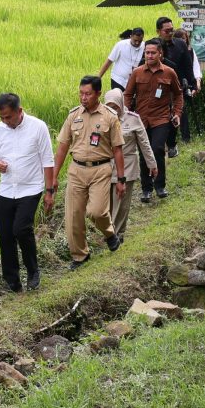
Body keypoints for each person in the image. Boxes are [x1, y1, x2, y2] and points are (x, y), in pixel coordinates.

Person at [52, 76, 126, 270]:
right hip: (76, 169)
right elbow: (62, 148)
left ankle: (109, 233)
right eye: (81, 93)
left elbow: (117, 149)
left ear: (98, 94)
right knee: (74, 216)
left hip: (101, 169)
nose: (83, 98)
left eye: (88, 94)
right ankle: (80, 255)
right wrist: (53, 177)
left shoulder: (110, 116)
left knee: (96, 211)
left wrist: (121, 179)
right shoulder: (73, 115)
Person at [0, 92, 54, 293]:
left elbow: (48, 161)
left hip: (30, 188)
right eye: (2, 117)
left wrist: (49, 192)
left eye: (8, 117)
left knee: (21, 229)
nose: (5, 121)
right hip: (6, 189)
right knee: (5, 235)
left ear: (20, 111)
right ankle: (12, 280)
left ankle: (33, 271)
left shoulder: (38, 127)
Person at [123, 39, 183, 202]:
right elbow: (127, 94)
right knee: (144, 152)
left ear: (160, 54)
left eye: (152, 53)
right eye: (147, 53)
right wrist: (127, 112)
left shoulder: (169, 72)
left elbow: (178, 94)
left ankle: (160, 186)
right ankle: (146, 189)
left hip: (161, 118)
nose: (149, 55)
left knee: (157, 149)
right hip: (140, 119)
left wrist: (177, 113)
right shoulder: (137, 72)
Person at [103, 88, 157, 241]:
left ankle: (117, 234)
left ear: (121, 104)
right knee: (106, 203)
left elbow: (144, 143)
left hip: (127, 166)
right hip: (107, 166)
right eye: (109, 106)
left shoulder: (133, 119)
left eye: (115, 106)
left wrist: (152, 164)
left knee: (122, 203)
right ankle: (109, 230)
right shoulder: (102, 119)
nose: (112, 110)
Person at [155, 17, 194, 157]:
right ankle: (159, 143)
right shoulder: (153, 45)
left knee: (175, 115)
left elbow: (188, 65)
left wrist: (192, 84)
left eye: (172, 30)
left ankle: (172, 143)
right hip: (156, 88)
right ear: (159, 31)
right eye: (167, 31)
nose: (170, 33)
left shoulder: (180, 45)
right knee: (158, 115)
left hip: (175, 88)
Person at [173, 28, 203, 141]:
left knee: (184, 109)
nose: (182, 41)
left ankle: (186, 137)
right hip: (174, 83)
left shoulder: (190, 51)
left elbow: (195, 68)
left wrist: (197, 82)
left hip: (186, 83)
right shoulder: (171, 51)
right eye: (179, 38)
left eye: (184, 38)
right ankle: (179, 136)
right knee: (178, 109)